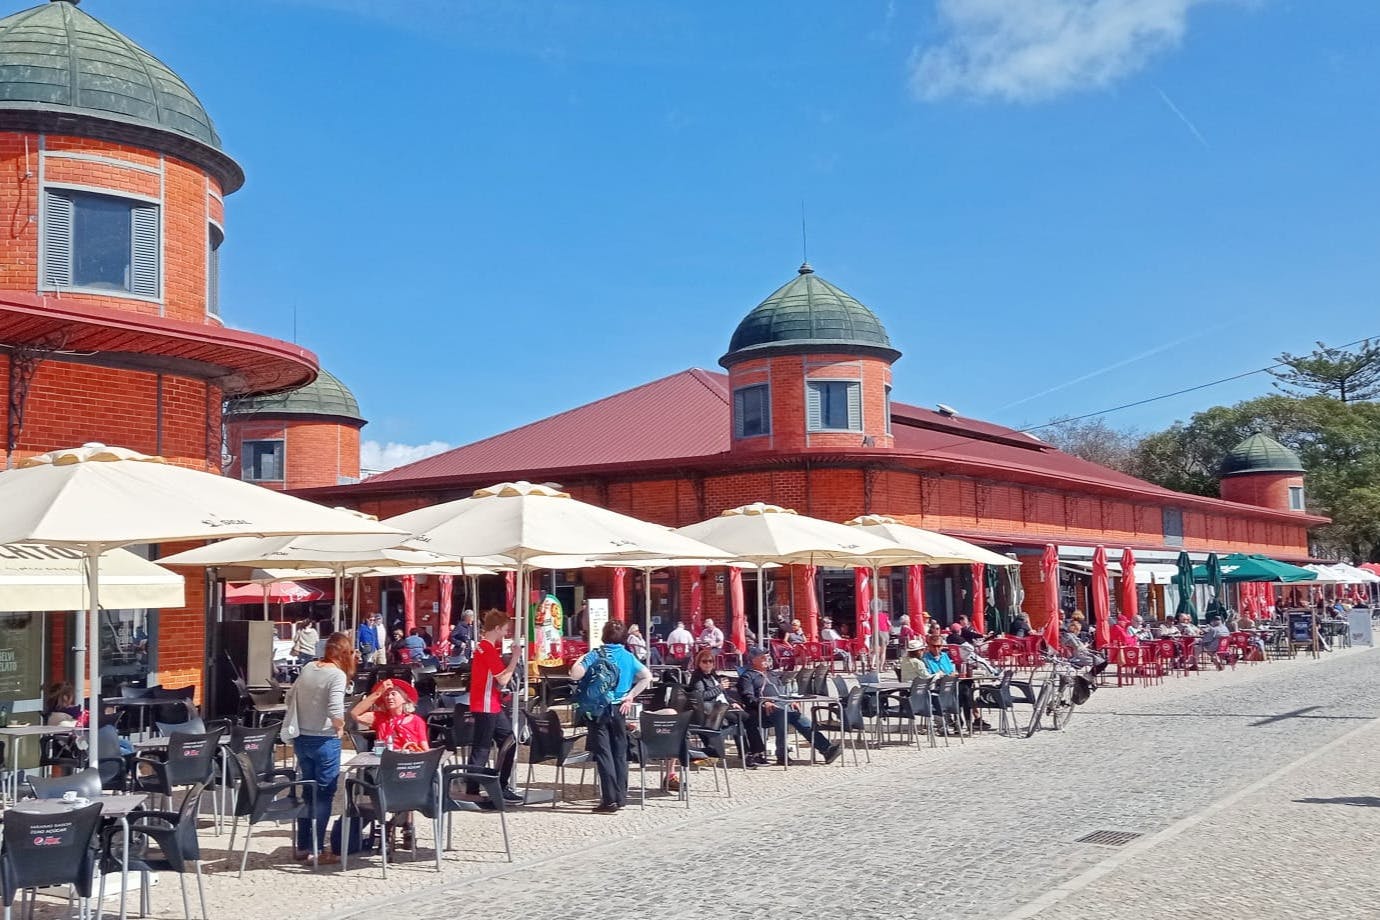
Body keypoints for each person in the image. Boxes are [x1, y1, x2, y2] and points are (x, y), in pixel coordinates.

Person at [569, 620, 651, 814]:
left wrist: (581, 658)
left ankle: (609, 800)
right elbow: (647, 676)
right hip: (620, 708)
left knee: (604, 754)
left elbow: (575, 675)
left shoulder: (596, 654)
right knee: (620, 753)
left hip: (598, 709)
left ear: (604, 635)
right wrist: (630, 696)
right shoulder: (628, 656)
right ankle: (621, 797)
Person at [288, 631, 353, 864]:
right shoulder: (337, 675)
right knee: (324, 794)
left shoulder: (308, 667)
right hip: (325, 739)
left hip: (302, 737)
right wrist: (340, 727)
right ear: (345, 653)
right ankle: (317, 849)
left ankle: (303, 846)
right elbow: (335, 709)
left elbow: (289, 697)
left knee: (308, 791)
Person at [349, 677, 429, 850]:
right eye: (386, 695)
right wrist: (377, 693)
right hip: (386, 770)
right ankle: (404, 825)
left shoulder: (416, 721)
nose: (389, 697)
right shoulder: (380, 718)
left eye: (393, 694)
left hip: (409, 769)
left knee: (408, 779)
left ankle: (393, 825)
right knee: (385, 780)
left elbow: (424, 749)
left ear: (404, 698)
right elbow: (355, 714)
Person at [737, 647, 840, 767]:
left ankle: (826, 749)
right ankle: (782, 754)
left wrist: (791, 700)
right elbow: (747, 697)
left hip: (781, 706)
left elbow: (782, 692)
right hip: (762, 711)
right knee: (782, 714)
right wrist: (764, 703)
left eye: (767, 657)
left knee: (799, 717)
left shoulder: (772, 675)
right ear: (754, 660)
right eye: (763, 657)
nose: (767, 659)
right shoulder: (748, 677)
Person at [466, 610, 524, 804]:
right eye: (505, 629)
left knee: (508, 741)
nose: (506, 633)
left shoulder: (482, 647)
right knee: (482, 748)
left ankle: (498, 785)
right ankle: (474, 790)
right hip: (486, 704)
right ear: (497, 628)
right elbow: (503, 679)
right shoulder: (487, 649)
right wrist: (515, 658)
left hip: (490, 703)